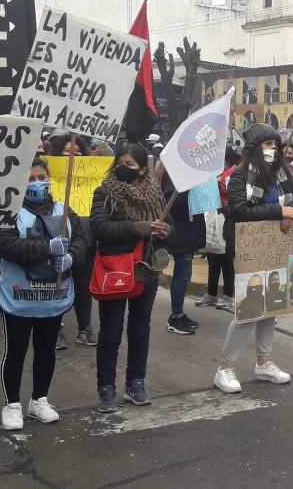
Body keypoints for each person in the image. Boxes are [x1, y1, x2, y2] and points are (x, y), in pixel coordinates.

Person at [0, 158, 87, 430]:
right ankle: (11, 404)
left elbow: (81, 240)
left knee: (46, 350)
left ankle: (39, 399)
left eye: (41, 176)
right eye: (30, 178)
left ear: (49, 178)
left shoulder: (64, 209)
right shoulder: (6, 211)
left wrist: (72, 258)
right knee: (16, 351)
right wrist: (48, 247)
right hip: (19, 297)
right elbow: (6, 246)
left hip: (53, 297)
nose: (36, 183)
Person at [213, 124, 293, 394]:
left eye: (275, 145)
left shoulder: (282, 175)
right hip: (249, 248)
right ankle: (225, 368)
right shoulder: (239, 176)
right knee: (250, 307)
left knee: (273, 305)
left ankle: (264, 362)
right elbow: (239, 210)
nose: (273, 150)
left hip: (277, 247)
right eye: (267, 145)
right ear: (254, 149)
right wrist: (279, 211)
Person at [90, 145, 171, 411]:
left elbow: (169, 225)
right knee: (111, 332)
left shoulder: (156, 193)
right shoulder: (105, 191)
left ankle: (136, 383)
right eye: (120, 163)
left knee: (140, 329)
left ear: (143, 169)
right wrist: (136, 227)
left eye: (130, 165)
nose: (123, 168)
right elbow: (99, 228)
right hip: (116, 268)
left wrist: (165, 230)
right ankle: (106, 388)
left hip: (146, 269)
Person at [46, 131, 97, 350]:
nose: (73, 156)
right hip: (57, 240)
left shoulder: (93, 177)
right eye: (68, 151)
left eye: (77, 152)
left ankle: (84, 329)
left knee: (83, 287)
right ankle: (55, 329)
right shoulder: (47, 176)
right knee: (57, 283)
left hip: (86, 241)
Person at [197, 148, 241, 310]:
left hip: (225, 221)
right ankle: (211, 293)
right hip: (210, 220)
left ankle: (228, 295)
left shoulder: (232, 174)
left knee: (225, 260)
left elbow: (231, 199)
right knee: (212, 259)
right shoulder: (212, 175)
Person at [163, 177, 205, 336]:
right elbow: (170, 203)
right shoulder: (175, 179)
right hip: (182, 235)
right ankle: (175, 317)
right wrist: (190, 194)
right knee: (182, 276)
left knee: (184, 276)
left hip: (190, 234)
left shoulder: (189, 179)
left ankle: (179, 313)